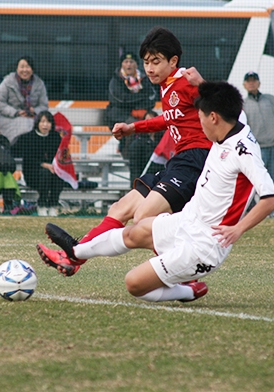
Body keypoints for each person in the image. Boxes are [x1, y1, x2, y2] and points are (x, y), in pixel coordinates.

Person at [41, 81, 274, 304]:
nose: (200, 124)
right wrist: (202, 84)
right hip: (187, 221)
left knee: (133, 283)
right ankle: (75, 251)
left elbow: (270, 199)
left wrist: (238, 229)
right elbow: (228, 99)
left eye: (201, 119)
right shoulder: (230, 126)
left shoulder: (243, 151)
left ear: (214, 117)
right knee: (134, 231)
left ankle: (187, 290)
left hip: (204, 245)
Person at [37, 26, 212, 279]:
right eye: (146, 62)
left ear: (173, 61)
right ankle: (74, 258)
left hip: (195, 162)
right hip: (178, 162)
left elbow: (226, 108)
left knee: (144, 217)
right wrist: (133, 128)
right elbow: (171, 119)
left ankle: (186, 277)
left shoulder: (186, 82)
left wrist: (204, 85)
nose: (149, 68)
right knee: (121, 208)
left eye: (156, 61)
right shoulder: (166, 85)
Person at [242, 71, 274, 219]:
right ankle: (257, 211)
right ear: (244, 85)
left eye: (254, 80)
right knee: (255, 180)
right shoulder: (243, 105)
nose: (251, 83)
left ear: (259, 83)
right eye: (248, 81)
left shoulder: (271, 100)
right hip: (257, 148)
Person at [104, 51, 158, 158]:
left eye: (131, 62)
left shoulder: (144, 79)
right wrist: (139, 107)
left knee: (156, 123)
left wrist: (142, 111)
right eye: (126, 61)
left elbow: (151, 98)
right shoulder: (116, 80)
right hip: (120, 116)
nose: (129, 64)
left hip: (142, 113)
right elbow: (120, 100)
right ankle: (130, 156)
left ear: (136, 65)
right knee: (134, 127)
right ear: (122, 65)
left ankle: (153, 157)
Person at [13, 111, 65, 217]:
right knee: (45, 173)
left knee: (59, 176)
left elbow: (60, 156)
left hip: (52, 172)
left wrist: (56, 167)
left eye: (48, 122)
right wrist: (44, 165)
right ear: (37, 123)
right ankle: (41, 205)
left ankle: (52, 206)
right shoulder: (28, 137)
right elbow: (28, 159)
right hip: (33, 174)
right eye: (42, 122)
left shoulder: (55, 137)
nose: (45, 125)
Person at [0, 56, 49, 144]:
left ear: (32, 69)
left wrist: (34, 111)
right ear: (17, 68)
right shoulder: (7, 82)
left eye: (27, 67)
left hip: (33, 117)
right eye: (22, 67)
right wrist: (16, 112)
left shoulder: (39, 83)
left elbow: (44, 105)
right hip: (10, 118)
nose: (25, 70)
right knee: (23, 126)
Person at [125, 109, 165, 183]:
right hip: (145, 180)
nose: (150, 125)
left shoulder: (163, 140)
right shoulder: (138, 143)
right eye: (147, 121)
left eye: (152, 121)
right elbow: (135, 167)